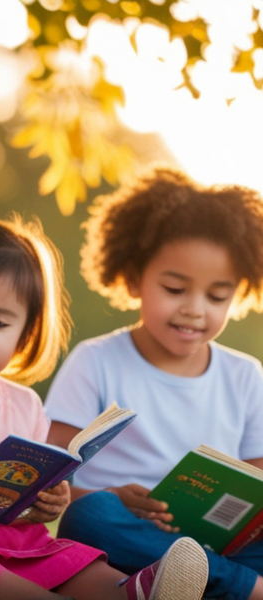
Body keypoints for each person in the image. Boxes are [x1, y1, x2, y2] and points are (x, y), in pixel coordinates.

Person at [0, 215, 210, 600]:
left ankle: (130, 592)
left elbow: (29, 496)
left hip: (18, 538)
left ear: (24, 332)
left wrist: (51, 502)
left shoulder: (23, 403)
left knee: (82, 566)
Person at [44, 166, 263, 600]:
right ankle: (244, 589)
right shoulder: (96, 360)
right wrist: (110, 496)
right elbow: (52, 480)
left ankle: (204, 581)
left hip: (221, 542)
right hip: (129, 536)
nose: (195, 310)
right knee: (89, 516)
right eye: (175, 288)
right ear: (132, 277)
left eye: (217, 296)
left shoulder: (246, 374)